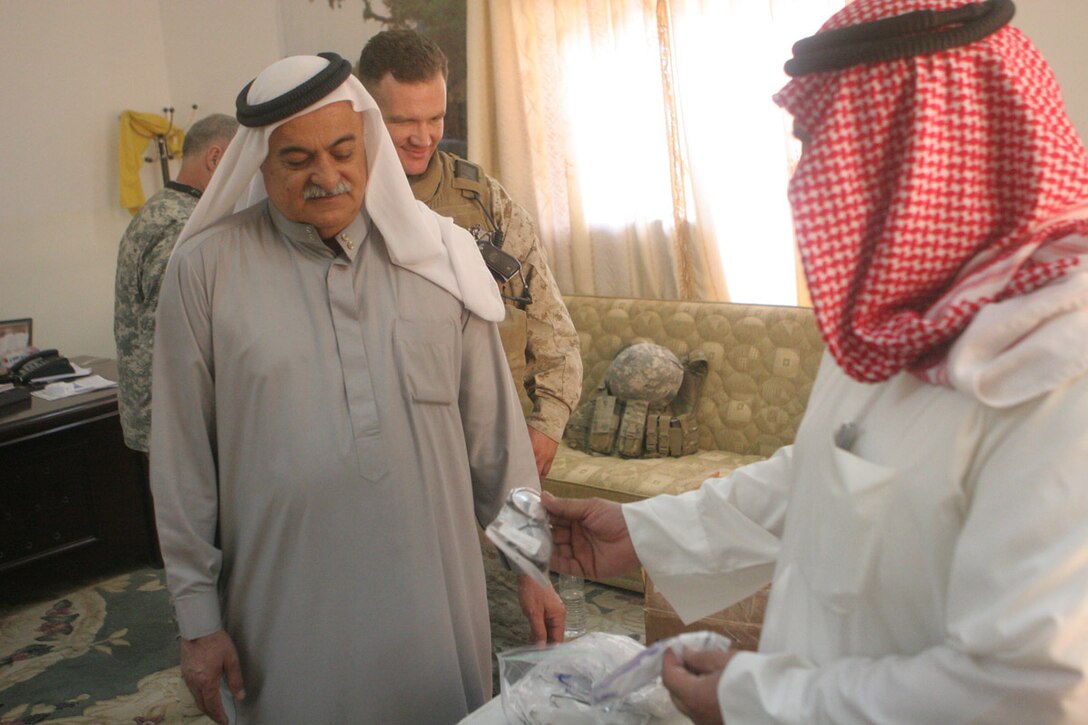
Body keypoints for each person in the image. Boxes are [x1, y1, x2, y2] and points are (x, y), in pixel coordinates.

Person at [544, 1, 1088, 722]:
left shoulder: (1058, 372)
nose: (808, 186)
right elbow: (824, 473)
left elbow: (1027, 693)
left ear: (929, 160)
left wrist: (755, 698)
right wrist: (643, 533)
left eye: (827, 151)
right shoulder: (892, 322)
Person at [149, 53, 563, 724]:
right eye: (297, 160)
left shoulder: (440, 256)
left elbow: (495, 434)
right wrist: (198, 620)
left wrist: (531, 564)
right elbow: (182, 461)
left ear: (368, 143)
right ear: (259, 162)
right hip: (284, 609)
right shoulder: (204, 273)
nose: (326, 175)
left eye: (344, 151)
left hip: (434, 599)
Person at [357, 29, 582, 481]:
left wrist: (548, 423)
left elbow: (547, 316)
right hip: (390, 448)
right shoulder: (343, 203)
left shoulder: (481, 197)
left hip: (494, 440)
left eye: (435, 118)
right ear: (366, 110)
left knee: (511, 552)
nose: (424, 137)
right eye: (403, 121)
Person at [113, 113, 237, 454]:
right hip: (173, 420)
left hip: (163, 414)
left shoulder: (162, 208)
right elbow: (177, 328)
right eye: (240, 164)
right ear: (215, 158)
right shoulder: (183, 224)